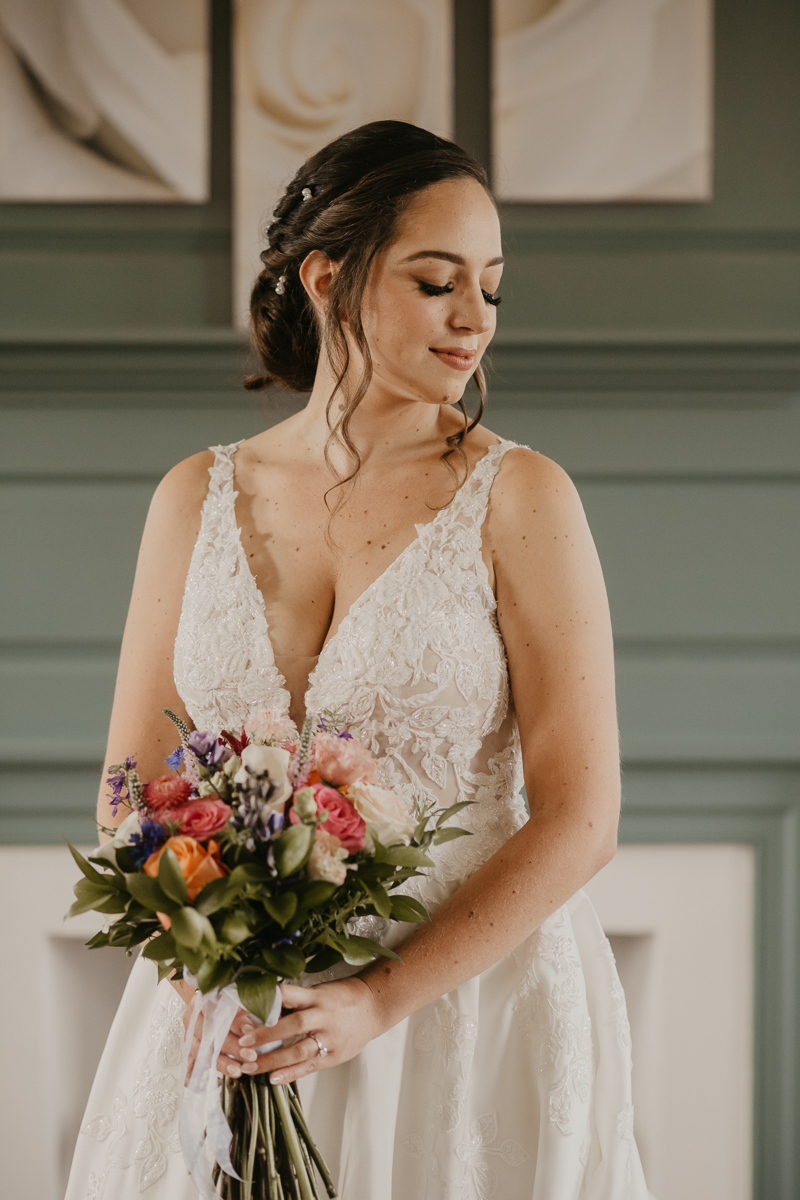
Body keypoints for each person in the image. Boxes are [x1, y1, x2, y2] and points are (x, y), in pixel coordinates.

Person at [66, 120, 649, 1199]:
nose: (474, 319)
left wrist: (380, 997)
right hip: (231, 1011)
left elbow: (582, 817)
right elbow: (127, 786)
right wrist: (203, 951)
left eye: (491, 287)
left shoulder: (522, 498)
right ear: (328, 279)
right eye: (436, 283)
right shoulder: (192, 494)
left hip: (461, 1010)